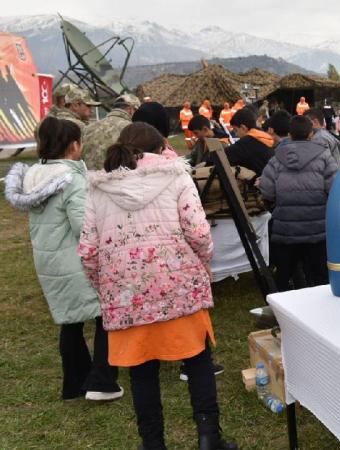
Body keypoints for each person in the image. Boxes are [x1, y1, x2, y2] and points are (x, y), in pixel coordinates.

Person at [78, 122, 237, 450]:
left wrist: (106, 287)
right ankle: (209, 437)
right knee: (198, 361)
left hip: (127, 295)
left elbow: (88, 252)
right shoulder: (176, 176)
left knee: (142, 373)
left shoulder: (99, 188)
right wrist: (203, 264)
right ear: (161, 147)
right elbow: (198, 232)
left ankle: (153, 444)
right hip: (180, 287)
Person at [5, 117, 123, 402]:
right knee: (105, 315)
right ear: (73, 146)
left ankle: (75, 383)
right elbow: (83, 226)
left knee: (71, 320)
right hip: (75, 260)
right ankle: (102, 381)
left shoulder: (35, 175)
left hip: (50, 260)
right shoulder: (72, 179)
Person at [258, 115, 339, 291]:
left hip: (286, 228)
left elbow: (267, 191)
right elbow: (335, 188)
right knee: (320, 277)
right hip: (317, 229)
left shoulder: (276, 158)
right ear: (311, 134)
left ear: (290, 134)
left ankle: (282, 303)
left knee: (284, 275)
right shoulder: (324, 156)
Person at [82, 93, 141, 170]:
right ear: (131, 110)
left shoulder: (89, 127)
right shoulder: (131, 128)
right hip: (115, 175)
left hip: (88, 175)